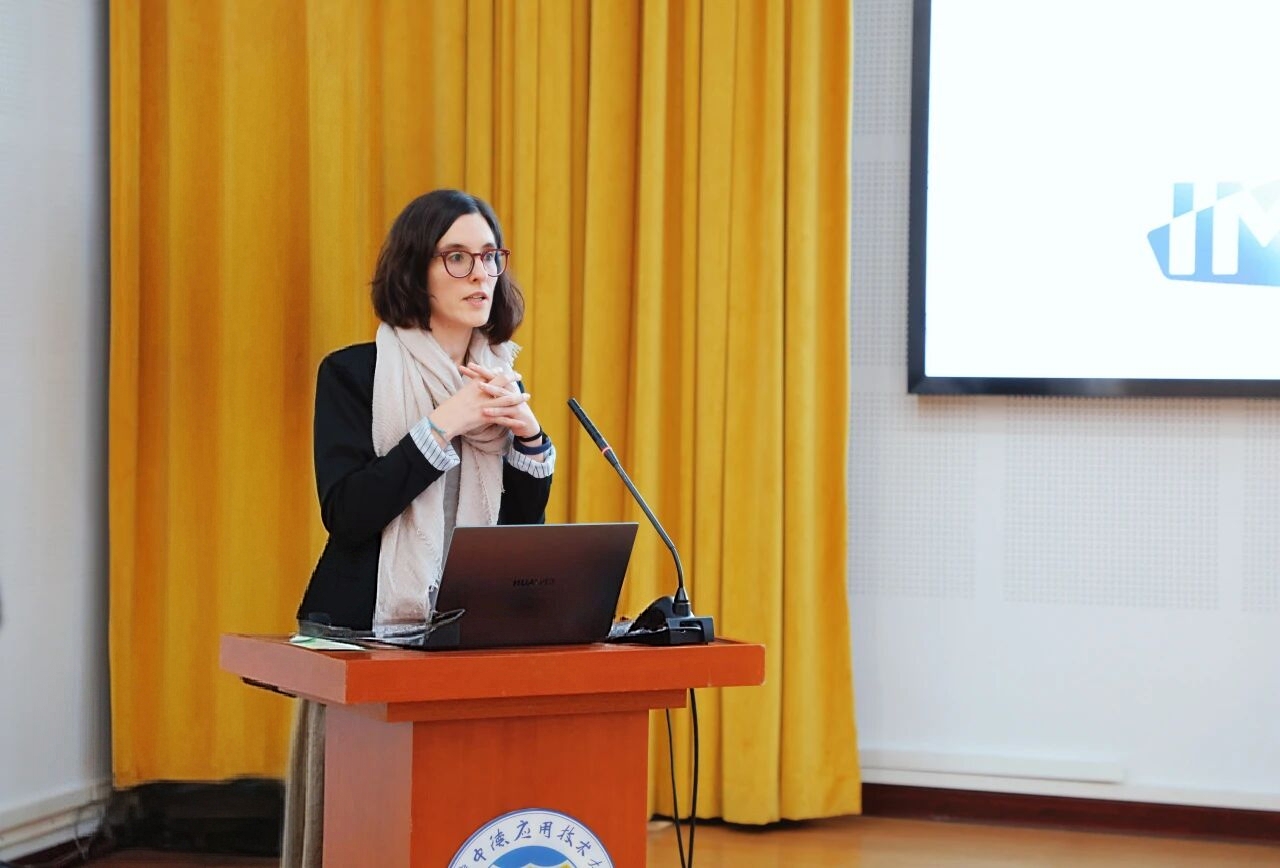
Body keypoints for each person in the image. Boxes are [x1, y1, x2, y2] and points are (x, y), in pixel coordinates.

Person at [281, 189, 554, 867]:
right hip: (364, 646)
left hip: (466, 649)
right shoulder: (353, 374)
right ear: (415, 270)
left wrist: (528, 443)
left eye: (489, 256)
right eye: (457, 257)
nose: (480, 273)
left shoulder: (501, 382)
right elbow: (347, 513)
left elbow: (513, 543)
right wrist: (441, 426)